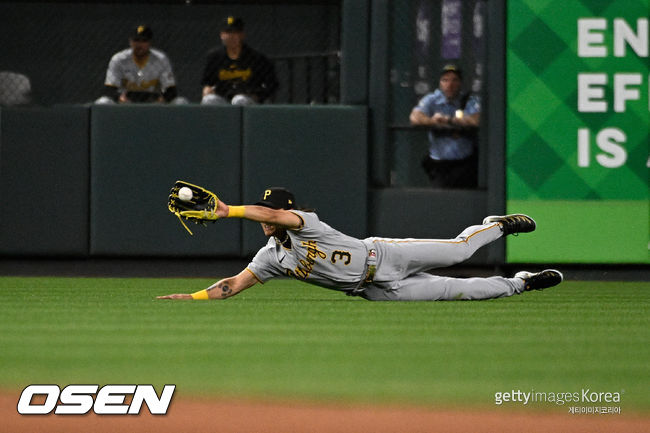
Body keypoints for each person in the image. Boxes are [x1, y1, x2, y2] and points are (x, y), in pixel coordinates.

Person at [157, 187, 563, 302]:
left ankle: (495, 226)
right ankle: (522, 283)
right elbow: (234, 284)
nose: (267, 217)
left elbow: (275, 216)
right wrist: (193, 297)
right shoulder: (272, 258)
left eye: (271, 211)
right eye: (265, 212)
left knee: (460, 250)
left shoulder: (306, 223)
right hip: (375, 289)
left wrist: (229, 211)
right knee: (461, 291)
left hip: (385, 253)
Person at [410, 64, 480, 189]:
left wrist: (450, 121)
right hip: (439, 165)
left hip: (464, 164)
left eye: (454, 80)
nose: (450, 84)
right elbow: (415, 117)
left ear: (460, 83)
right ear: (440, 83)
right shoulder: (432, 99)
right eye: (445, 80)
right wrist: (433, 121)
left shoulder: (469, 100)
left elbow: (477, 119)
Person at [95, 25, 186, 105]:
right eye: (136, 40)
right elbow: (109, 89)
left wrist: (162, 99)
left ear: (150, 42)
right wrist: (119, 97)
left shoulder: (161, 59)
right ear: (130, 41)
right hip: (125, 103)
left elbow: (171, 90)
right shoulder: (119, 59)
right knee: (103, 102)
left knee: (180, 102)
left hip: (154, 103)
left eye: (144, 41)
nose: (139, 44)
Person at [200, 16, 278, 106]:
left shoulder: (257, 57)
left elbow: (272, 85)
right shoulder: (214, 57)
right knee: (209, 99)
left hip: (249, 101)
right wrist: (207, 90)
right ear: (221, 35)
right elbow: (208, 82)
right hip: (225, 99)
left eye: (235, 32)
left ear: (242, 35)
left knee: (239, 100)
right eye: (228, 32)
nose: (231, 36)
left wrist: (257, 96)